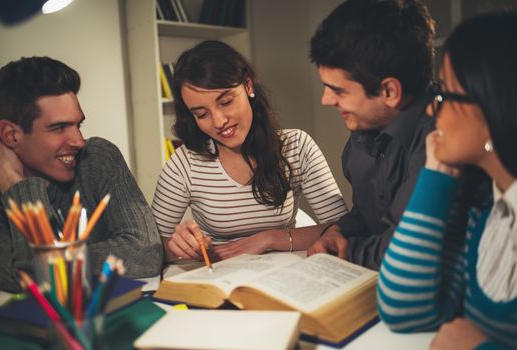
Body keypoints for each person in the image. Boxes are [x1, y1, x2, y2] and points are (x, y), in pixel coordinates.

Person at [377, 11, 517, 349]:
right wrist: (438, 172)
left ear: (491, 105)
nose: (431, 110)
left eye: (443, 95)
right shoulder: (488, 215)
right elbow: (403, 310)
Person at [151, 40, 348, 262]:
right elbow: (151, 247)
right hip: (220, 278)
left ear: (248, 86)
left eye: (225, 102)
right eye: (201, 114)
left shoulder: (297, 146)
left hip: (286, 274)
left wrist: (268, 239)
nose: (219, 122)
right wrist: (180, 244)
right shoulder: (185, 163)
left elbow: (343, 229)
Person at [0, 56, 163, 292]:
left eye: (78, 125)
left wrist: (54, 262)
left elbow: (145, 251)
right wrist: (14, 184)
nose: (79, 141)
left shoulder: (98, 157)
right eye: (58, 128)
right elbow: (37, 282)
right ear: (10, 135)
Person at [307, 0, 435, 270]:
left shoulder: (441, 142)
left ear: (389, 91)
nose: (325, 100)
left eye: (338, 90)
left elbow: (407, 252)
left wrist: (344, 251)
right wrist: (339, 232)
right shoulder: (362, 134)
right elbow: (369, 215)